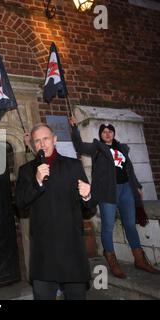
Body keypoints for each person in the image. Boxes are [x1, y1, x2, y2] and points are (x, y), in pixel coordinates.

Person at [69, 117, 160, 278]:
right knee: (108, 227)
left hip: (126, 189)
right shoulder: (97, 148)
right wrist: (74, 129)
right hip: (108, 192)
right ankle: (112, 261)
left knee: (130, 225)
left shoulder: (122, 149)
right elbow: (80, 146)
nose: (107, 133)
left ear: (113, 133)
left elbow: (129, 170)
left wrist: (137, 187)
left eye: (110, 131)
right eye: (104, 131)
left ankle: (140, 259)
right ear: (101, 134)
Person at [15, 123, 96, 300]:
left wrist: (87, 196)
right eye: (37, 141)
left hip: (71, 248)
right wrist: (37, 182)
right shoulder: (27, 171)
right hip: (44, 252)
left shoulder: (73, 166)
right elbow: (20, 205)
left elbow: (89, 210)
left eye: (46, 139)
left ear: (54, 139)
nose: (42, 144)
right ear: (33, 145)